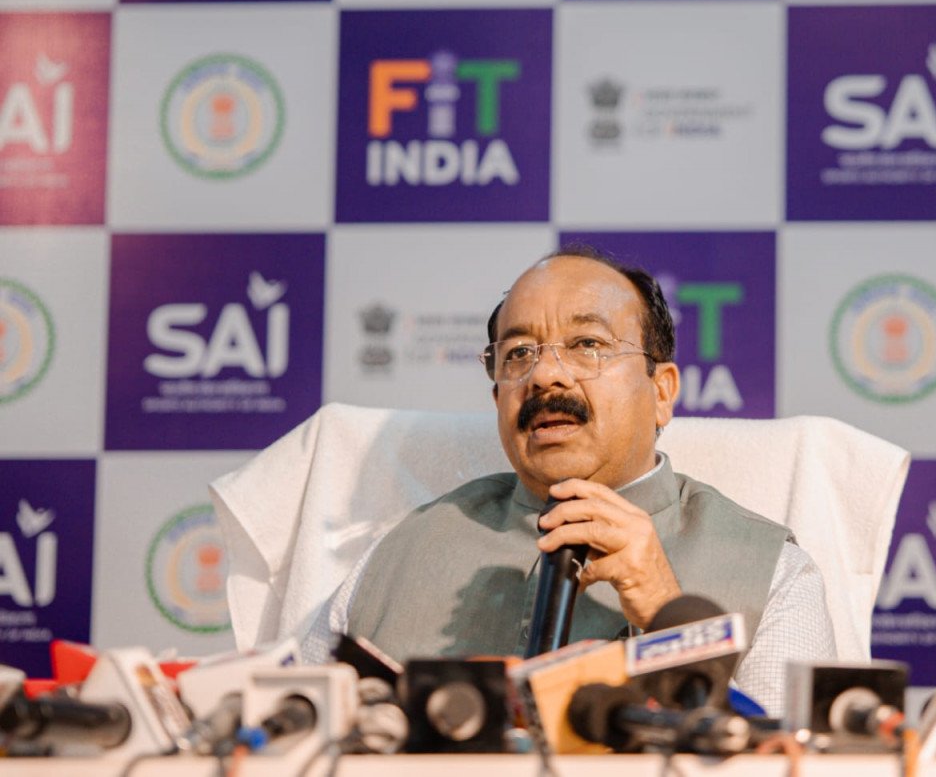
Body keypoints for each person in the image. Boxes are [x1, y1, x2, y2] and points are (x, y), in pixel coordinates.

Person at [302, 246, 836, 714]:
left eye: (587, 344)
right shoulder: (399, 552)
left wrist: (668, 618)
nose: (544, 375)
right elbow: (288, 728)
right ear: (497, 398)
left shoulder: (772, 570)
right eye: (518, 354)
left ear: (661, 391)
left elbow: (800, 759)